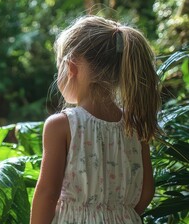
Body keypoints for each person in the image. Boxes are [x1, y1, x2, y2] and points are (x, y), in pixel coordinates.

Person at [30, 15, 161, 224]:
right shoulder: (134, 124)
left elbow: (47, 194)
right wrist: (116, 214)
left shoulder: (62, 125)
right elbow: (146, 192)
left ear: (70, 67)